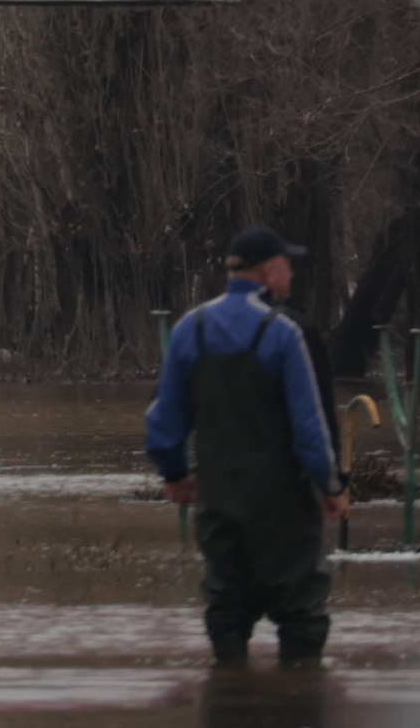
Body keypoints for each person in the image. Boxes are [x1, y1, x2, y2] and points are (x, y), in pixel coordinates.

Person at [146, 227, 350, 667]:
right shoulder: (285, 332)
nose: (292, 272)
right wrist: (331, 484)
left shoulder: (190, 328)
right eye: (287, 264)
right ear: (269, 271)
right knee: (301, 612)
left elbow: (164, 417)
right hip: (283, 503)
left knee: (227, 606)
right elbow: (310, 424)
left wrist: (175, 474)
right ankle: (298, 706)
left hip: (218, 498)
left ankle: (229, 705)